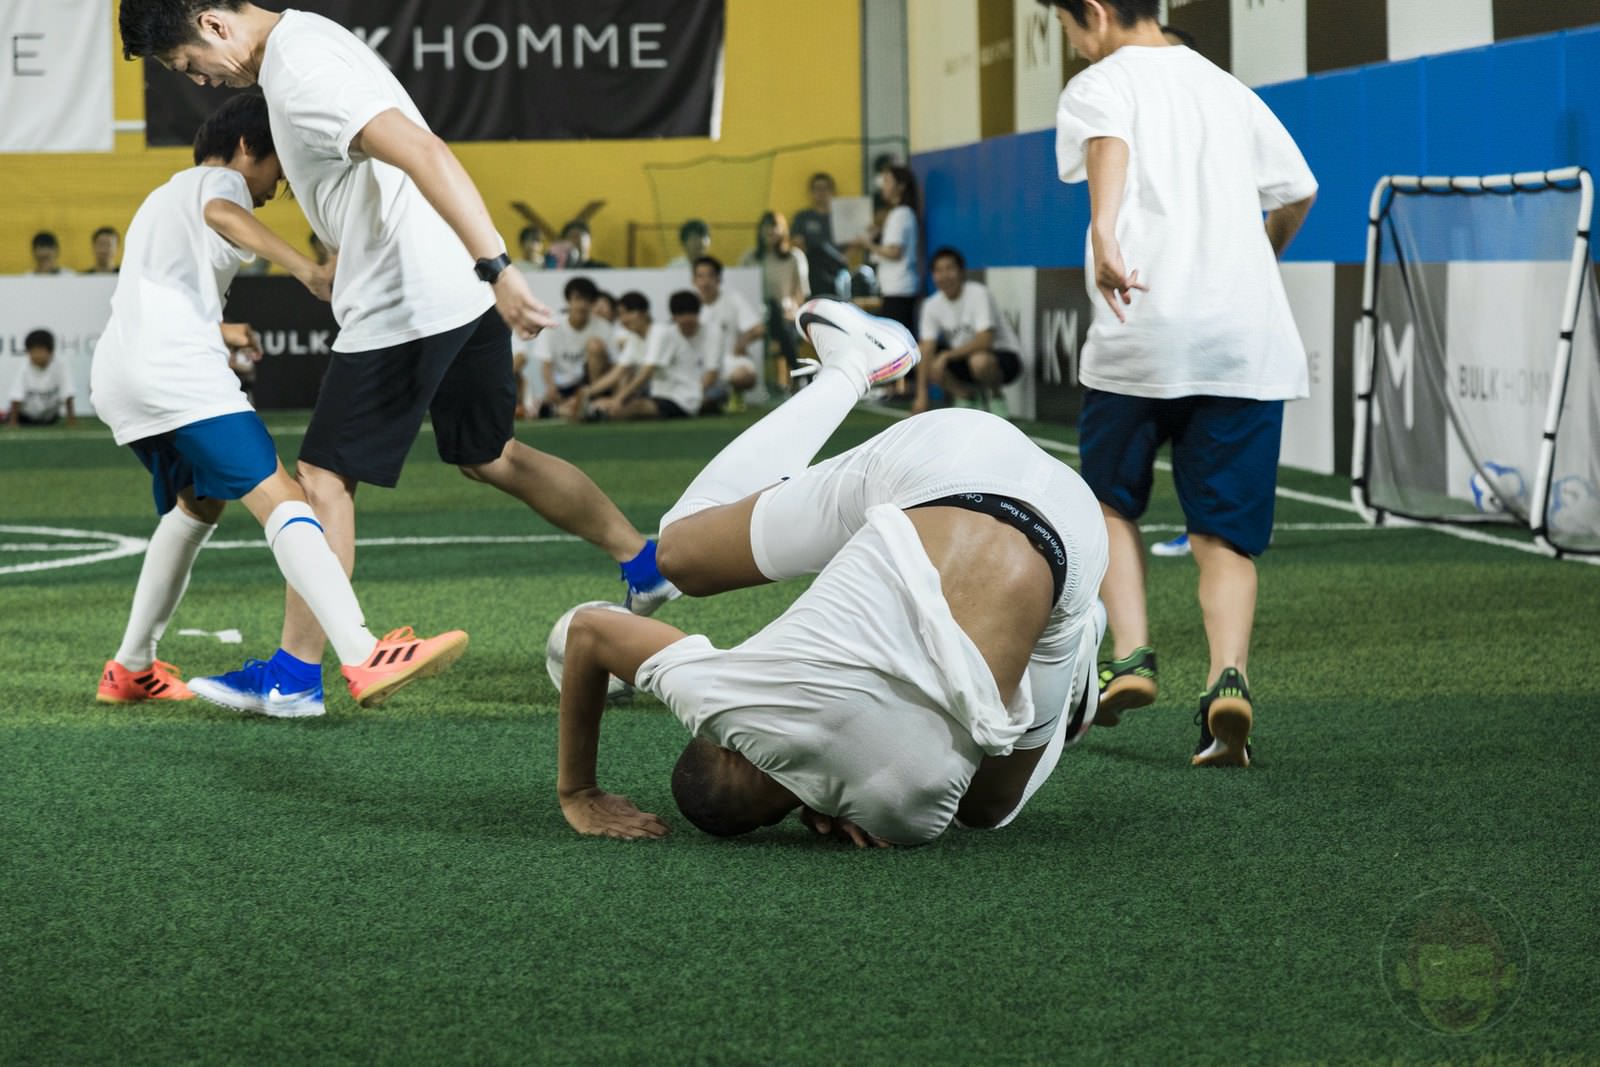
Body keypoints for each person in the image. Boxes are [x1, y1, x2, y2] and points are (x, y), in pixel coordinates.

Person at [120, 0, 676, 715]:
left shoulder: (301, 69)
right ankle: (643, 559)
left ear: (216, 25)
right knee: (490, 451)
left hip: (407, 297)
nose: (197, 81)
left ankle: (293, 674)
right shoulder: (307, 40)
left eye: (189, 64)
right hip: (443, 286)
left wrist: (499, 266)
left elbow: (423, 150)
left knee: (323, 477)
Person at [553, 299, 1109, 846]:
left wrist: (842, 796)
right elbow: (590, 630)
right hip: (950, 458)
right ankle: (855, 364)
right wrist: (578, 791)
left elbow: (881, 778)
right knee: (677, 554)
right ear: (722, 741)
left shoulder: (906, 819)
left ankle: (1074, 645)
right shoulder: (726, 701)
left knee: (985, 814)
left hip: (1078, 544)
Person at [89, 93, 465, 715]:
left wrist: (222, 331)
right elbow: (222, 211)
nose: (278, 185)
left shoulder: (160, 199)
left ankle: (131, 667)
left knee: (197, 505)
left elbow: (162, 292)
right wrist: (306, 270)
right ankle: (362, 650)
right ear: (245, 148)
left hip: (122, 375)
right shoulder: (219, 181)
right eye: (278, 168)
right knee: (285, 499)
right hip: (175, 373)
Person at [1047, 0, 1317, 766]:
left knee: (1103, 501)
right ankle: (1227, 679)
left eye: (1067, 29)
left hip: (1146, 329)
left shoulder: (1104, 82)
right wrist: (1260, 259)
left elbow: (1110, 144)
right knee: (1223, 535)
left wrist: (1105, 229)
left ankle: (1131, 654)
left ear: (1094, 12)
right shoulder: (1230, 89)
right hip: (1245, 340)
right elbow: (1299, 190)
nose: (1072, 48)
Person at [913, 246, 1023, 417]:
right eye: (939, 271)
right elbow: (926, 348)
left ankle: (996, 398)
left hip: (1002, 357)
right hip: (964, 359)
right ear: (933, 276)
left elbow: (985, 340)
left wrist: (947, 356)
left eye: (950, 269)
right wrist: (921, 396)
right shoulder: (931, 305)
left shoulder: (979, 294)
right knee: (925, 356)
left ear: (961, 272)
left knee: (979, 361)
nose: (945, 276)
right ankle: (967, 398)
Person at [587, 291, 708, 422]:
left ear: (642, 313)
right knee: (623, 404)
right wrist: (587, 392)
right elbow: (617, 372)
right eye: (621, 315)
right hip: (660, 397)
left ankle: (596, 414)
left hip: (683, 400)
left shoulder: (660, 332)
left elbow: (646, 372)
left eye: (626, 313)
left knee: (634, 407)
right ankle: (594, 411)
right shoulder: (634, 338)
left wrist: (617, 400)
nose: (623, 320)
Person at [739, 212, 809, 389]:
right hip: (756, 316)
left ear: (783, 230)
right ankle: (797, 373)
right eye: (767, 226)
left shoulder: (794, 257)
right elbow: (741, 292)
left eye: (774, 226)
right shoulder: (750, 258)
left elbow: (801, 294)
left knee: (776, 311)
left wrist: (791, 310)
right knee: (771, 308)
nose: (770, 231)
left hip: (787, 316)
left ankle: (793, 375)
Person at [853, 165, 920, 338]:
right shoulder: (901, 214)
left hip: (899, 289)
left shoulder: (900, 214)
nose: (883, 186)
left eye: (888, 181)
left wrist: (867, 244)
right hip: (896, 288)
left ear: (901, 186)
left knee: (898, 341)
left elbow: (894, 252)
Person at [533, 276, 613, 421]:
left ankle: (587, 404)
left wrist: (593, 391)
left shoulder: (603, 327)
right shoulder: (552, 326)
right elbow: (546, 363)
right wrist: (551, 388)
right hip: (563, 386)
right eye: (578, 299)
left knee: (595, 345)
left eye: (587, 300)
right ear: (568, 300)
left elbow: (614, 364)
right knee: (542, 404)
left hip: (591, 385)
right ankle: (578, 409)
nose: (582, 305)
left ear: (592, 303)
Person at [691, 255, 761, 403]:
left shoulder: (733, 300)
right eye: (700, 276)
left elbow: (758, 328)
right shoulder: (689, 307)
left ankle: (729, 394)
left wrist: (742, 343)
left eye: (710, 276)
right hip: (699, 365)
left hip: (729, 362)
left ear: (719, 279)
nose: (705, 282)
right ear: (694, 280)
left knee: (745, 376)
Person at [791, 172, 852, 300]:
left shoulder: (842, 218)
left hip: (837, 271)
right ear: (811, 192)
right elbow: (797, 245)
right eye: (817, 188)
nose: (821, 192)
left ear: (832, 191)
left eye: (825, 188)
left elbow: (852, 245)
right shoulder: (803, 217)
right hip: (812, 271)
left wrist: (844, 259)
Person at [6, 329, 76, 427]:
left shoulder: (61, 365)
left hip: (50, 418)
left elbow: (68, 394)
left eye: (40, 351)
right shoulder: (24, 368)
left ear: (51, 352)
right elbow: (16, 397)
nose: (37, 356)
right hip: (26, 417)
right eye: (33, 352)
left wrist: (71, 420)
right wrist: (13, 422)